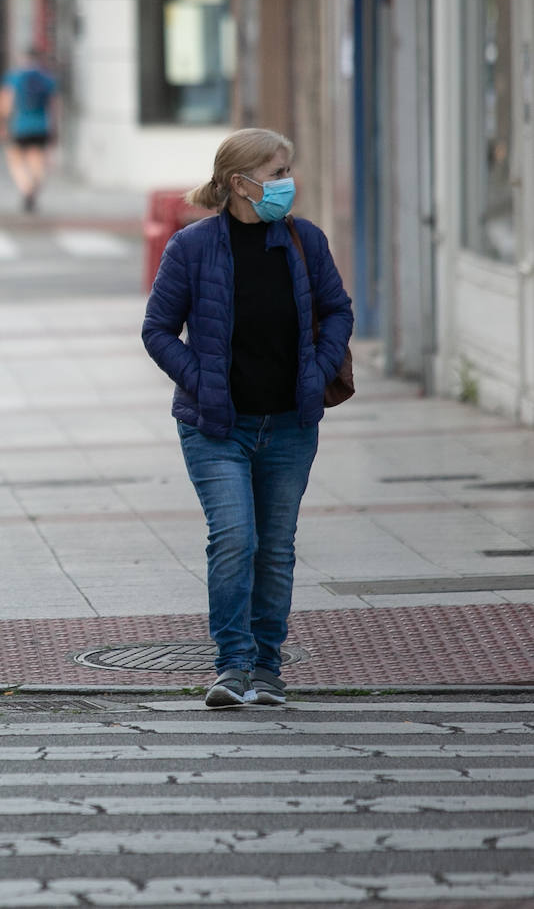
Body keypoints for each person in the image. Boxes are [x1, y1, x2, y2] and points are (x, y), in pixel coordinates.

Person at [141, 127, 353, 710]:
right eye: (277, 172)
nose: (288, 183)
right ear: (241, 183)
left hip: (289, 424)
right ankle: (231, 666)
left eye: (288, 170)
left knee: (276, 547)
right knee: (235, 537)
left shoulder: (305, 241)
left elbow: (337, 310)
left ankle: (267, 668)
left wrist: (319, 366)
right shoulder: (192, 248)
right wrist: (202, 379)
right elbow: (156, 330)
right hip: (216, 426)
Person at [0, 47, 58, 213]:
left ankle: (26, 187)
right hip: (42, 125)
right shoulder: (48, 79)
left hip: (21, 125)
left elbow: (5, 102)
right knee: (38, 161)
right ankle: (34, 186)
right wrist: (55, 129)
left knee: (14, 159)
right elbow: (54, 106)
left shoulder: (14, 77)